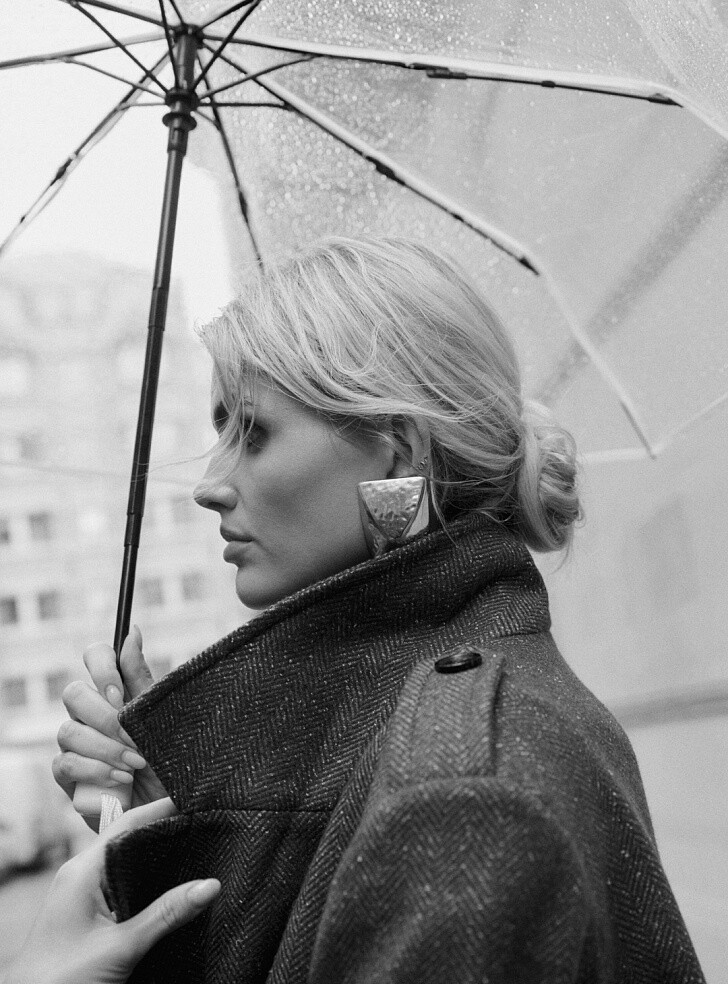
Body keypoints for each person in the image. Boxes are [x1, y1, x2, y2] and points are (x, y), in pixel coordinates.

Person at [6, 237, 704, 983]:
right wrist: (181, 827)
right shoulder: (433, 729)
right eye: (221, 434)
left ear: (397, 452)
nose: (209, 485)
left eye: (254, 433)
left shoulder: (457, 790)